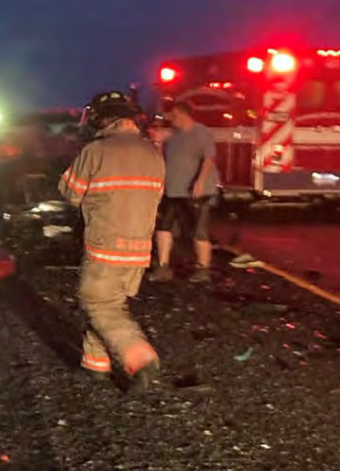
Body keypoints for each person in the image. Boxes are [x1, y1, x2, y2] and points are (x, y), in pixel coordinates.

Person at [58, 90, 165, 389]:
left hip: (106, 245)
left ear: (101, 119)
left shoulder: (96, 151)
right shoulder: (152, 153)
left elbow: (70, 193)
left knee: (98, 303)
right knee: (109, 304)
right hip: (140, 249)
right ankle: (95, 366)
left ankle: (140, 359)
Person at [150, 100, 219, 283]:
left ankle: (203, 269)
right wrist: (157, 143)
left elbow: (209, 158)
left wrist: (200, 181)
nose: (170, 119)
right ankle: (163, 267)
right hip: (173, 190)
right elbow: (160, 156)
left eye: (172, 115)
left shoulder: (201, 132)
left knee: (199, 230)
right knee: (164, 227)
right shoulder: (174, 135)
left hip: (197, 192)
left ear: (181, 113)